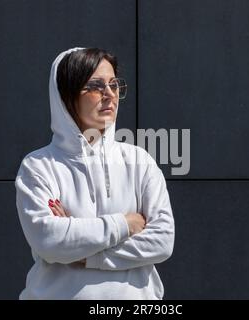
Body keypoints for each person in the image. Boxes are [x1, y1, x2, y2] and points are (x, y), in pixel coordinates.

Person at [15, 46, 175, 300]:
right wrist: (125, 224)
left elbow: (162, 241)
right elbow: (50, 241)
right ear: (66, 96)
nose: (109, 94)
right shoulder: (39, 166)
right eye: (95, 86)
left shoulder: (138, 161)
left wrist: (87, 252)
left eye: (114, 84)